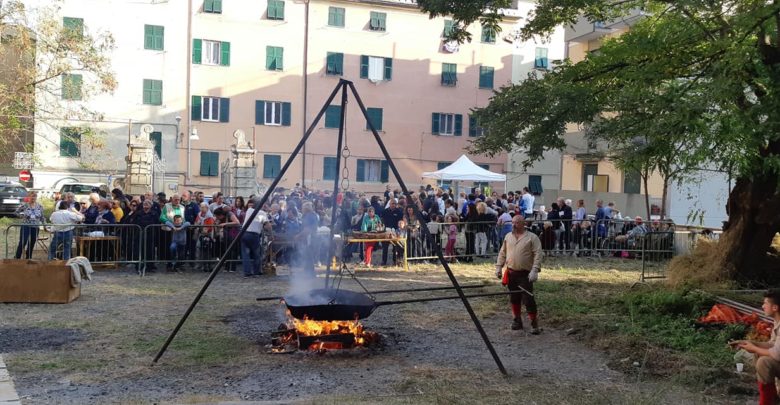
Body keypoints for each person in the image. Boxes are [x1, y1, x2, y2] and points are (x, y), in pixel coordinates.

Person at [731, 289, 780, 405]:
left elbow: (777, 353)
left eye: (765, 303)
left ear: (775, 308)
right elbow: (772, 344)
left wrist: (754, 348)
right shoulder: (777, 323)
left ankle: (767, 402)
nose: (762, 306)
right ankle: (772, 397)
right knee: (759, 354)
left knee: (764, 362)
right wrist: (747, 343)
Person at [495, 215, 543, 333]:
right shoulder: (508, 236)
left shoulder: (532, 237)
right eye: (513, 222)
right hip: (511, 273)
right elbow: (502, 252)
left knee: (528, 299)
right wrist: (498, 267)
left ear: (523, 223)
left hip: (525, 274)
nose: (514, 225)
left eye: (516, 223)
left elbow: (538, 254)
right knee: (514, 298)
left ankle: (534, 323)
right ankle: (517, 320)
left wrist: (535, 270)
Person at [14, 191, 44, 259]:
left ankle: (28, 257)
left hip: (35, 227)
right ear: (29, 197)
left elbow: (42, 217)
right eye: (31, 196)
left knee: (32, 242)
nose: (33, 198)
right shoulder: (24, 205)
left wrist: (44, 225)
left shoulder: (40, 206)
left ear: (36, 197)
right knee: (23, 242)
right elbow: (16, 212)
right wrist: (22, 216)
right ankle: (17, 257)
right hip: (26, 226)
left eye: (34, 196)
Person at [240, 203, 267, 278]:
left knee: (245, 254)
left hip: (244, 233)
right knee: (256, 254)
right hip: (254, 235)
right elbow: (267, 224)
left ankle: (247, 273)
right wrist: (271, 234)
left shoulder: (249, 210)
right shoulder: (262, 213)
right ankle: (256, 272)